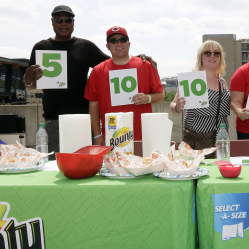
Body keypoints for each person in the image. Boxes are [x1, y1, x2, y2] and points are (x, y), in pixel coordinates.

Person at [23, 5, 156, 157]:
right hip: (54, 120)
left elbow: (115, 63)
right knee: (55, 167)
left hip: (84, 119)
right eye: (59, 20)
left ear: (73, 23)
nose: (64, 23)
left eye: (68, 20)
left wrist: (139, 58)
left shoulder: (85, 47)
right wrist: (27, 80)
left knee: (86, 166)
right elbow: (31, 84)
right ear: (52, 22)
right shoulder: (41, 47)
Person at [85, 27, 164, 146]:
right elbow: (93, 104)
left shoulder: (145, 65)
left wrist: (148, 98)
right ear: (107, 46)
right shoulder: (97, 71)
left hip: (143, 135)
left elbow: (161, 95)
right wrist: (97, 135)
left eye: (123, 39)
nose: (119, 43)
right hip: (112, 136)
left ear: (129, 43)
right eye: (114, 40)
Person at [170, 40, 231, 150]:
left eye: (216, 53)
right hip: (195, 143)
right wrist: (177, 107)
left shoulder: (222, 82)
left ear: (220, 58)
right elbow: (173, 106)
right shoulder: (192, 80)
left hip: (220, 142)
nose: (212, 56)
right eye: (207, 53)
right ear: (201, 57)